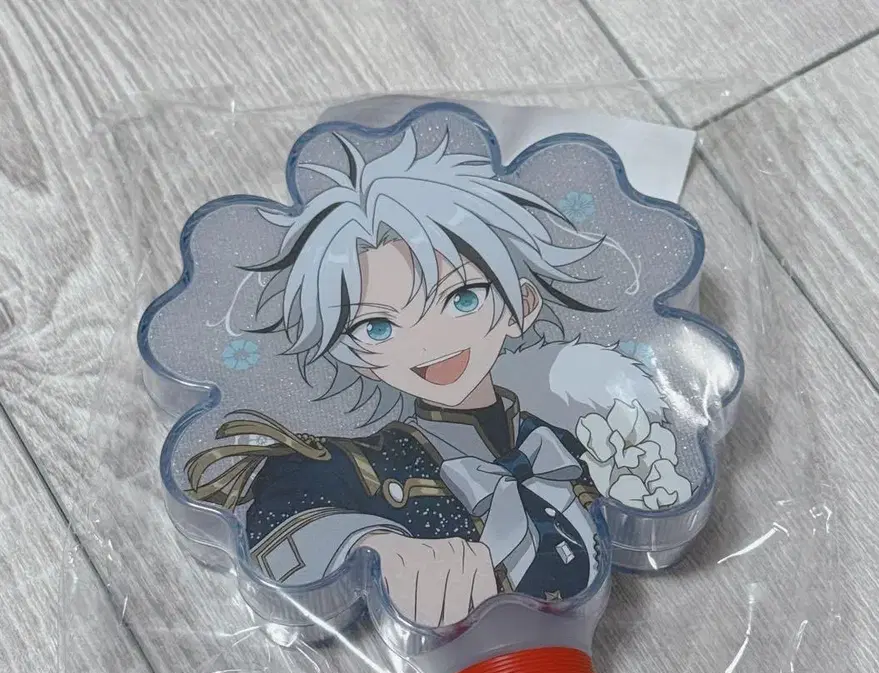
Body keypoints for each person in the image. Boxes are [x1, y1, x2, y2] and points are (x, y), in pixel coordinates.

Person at [187, 125, 690, 627]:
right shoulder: (363, 465)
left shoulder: (569, 444)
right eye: (378, 326)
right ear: (355, 356)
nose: (428, 340)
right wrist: (372, 546)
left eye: (461, 298)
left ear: (520, 307)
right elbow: (282, 524)